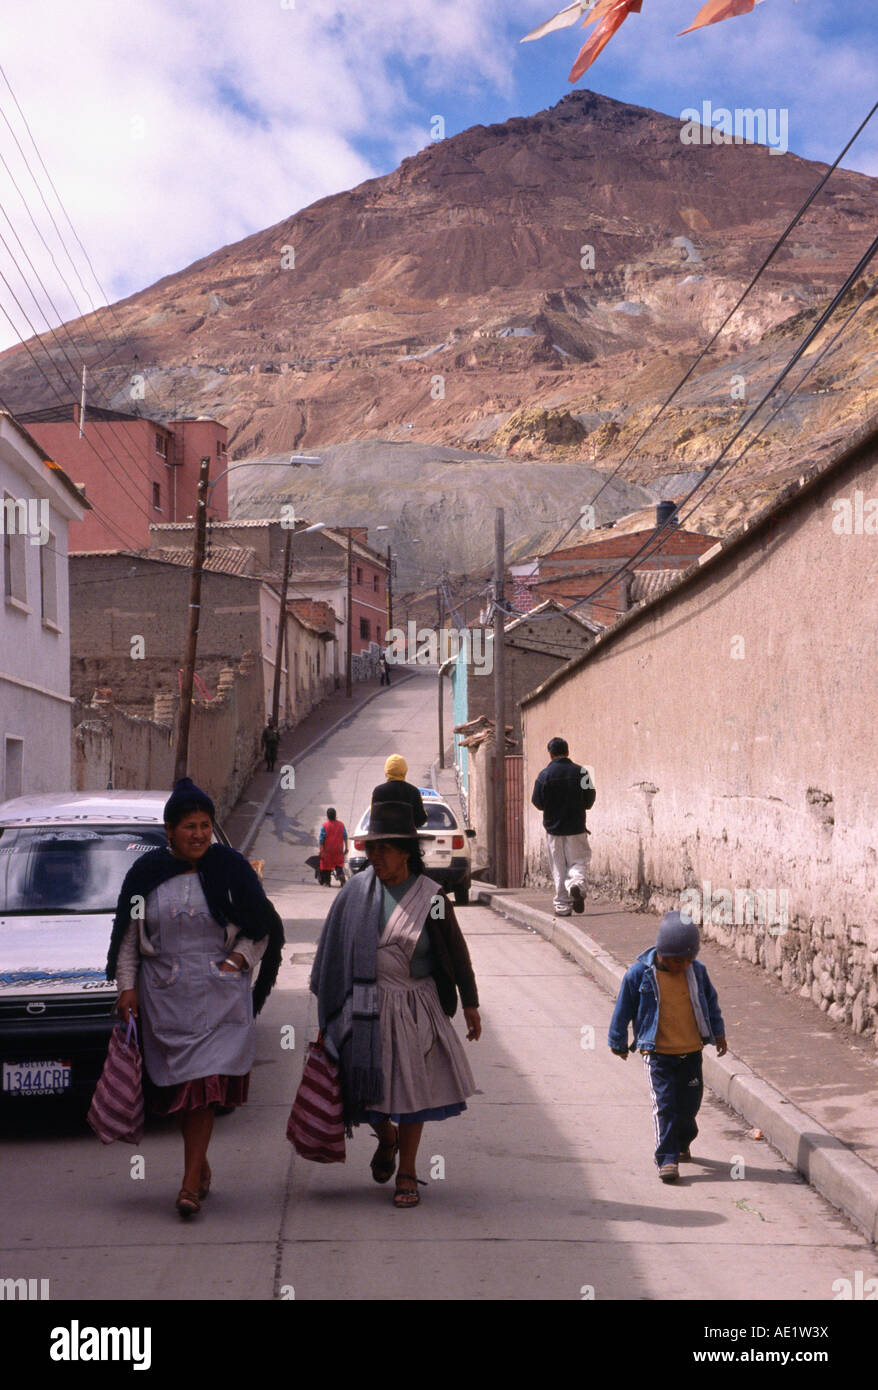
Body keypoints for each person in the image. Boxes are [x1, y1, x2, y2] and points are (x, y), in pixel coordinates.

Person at [107, 777, 285, 1218]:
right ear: (169, 830)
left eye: (206, 825)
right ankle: (199, 1164)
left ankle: (188, 1186)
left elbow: (262, 927)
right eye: (190, 826)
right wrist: (126, 986)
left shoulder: (230, 868)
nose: (200, 834)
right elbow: (129, 938)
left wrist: (237, 962)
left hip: (219, 997)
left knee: (204, 1088)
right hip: (164, 997)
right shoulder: (144, 875)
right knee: (178, 1090)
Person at [310, 800, 481, 1208]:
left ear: (407, 850)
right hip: (365, 1005)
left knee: (412, 1089)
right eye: (371, 849)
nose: (376, 857)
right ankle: (384, 1137)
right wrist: (331, 1009)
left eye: (384, 849)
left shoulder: (432, 897)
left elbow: (455, 952)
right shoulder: (355, 893)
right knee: (366, 1089)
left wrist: (471, 1003)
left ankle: (407, 1171)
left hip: (417, 1003)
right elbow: (332, 951)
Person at [608, 911, 727, 1183]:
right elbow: (623, 1009)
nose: (681, 965)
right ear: (661, 952)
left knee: (689, 1106)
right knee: (665, 1105)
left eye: (688, 959)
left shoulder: (696, 973)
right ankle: (667, 1158)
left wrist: (718, 1033)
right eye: (675, 960)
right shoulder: (639, 974)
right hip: (658, 1053)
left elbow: (711, 1004)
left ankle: (682, 1140)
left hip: (691, 1052)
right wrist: (618, 1040)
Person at [531, 736, 596, 917]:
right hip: (576, 827)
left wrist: (551, 808)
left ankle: (562, 906)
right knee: (578, 861)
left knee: (558, 868)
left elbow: (537, 801)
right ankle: (576, 884)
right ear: (567, 752)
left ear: (550, 754)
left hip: (554, 829)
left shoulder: (544, 775)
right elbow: (590, 798)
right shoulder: (582, 772)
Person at [371, 754, 427, 828]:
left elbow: (374, 818)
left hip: (384, 837)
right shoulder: (413, 791)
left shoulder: (378, 791)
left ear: (387, 770)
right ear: (405, 770)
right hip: (408, 837)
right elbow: (421, 819)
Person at [318, 807, 348, 886]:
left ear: (327, 816)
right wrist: (346, 847)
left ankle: (327, 882)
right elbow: (345, 836)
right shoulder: (341, 825)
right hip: (338, 849)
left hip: (327, 850)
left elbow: (321, 840)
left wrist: (321, 850)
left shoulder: (325, 826)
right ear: (335, 815)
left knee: (326, 866)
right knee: (338, 864)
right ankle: (340, 875)